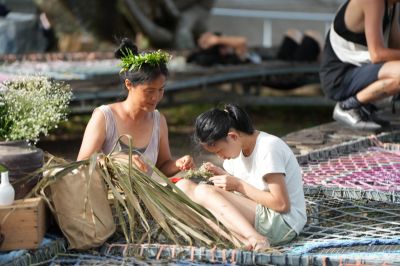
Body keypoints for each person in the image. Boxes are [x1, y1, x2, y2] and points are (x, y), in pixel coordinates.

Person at [175, 104, 306, 250]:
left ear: (233, 136)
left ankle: (256, 239)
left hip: (284, 223)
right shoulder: (235, 154)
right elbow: (245, 192)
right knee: (183, 187)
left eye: (219, 150)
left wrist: (237, 185)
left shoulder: (269, 148)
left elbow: (281, 204)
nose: (220, 156)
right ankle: (241, 241)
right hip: (261, 216)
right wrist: (224, 177)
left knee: (203, 191)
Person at [77, 38, 195, 177]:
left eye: (161, 90)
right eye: (149, 91)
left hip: (143, 197)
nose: (156, 97)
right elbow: (82, 163)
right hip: (107, 196)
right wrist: (117, 159)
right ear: (129, 84)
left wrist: (178, 164)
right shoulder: (105, 117)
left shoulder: (158, 120)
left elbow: (162, 165)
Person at [319, 0, 400, 130]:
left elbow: (395, 47)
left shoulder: (392, 5)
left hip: (359, 70)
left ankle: (363, 106)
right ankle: (347, 106)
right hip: (339, 78)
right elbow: (377, 54)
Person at [187, 31, 262, 66]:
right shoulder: (203, 58)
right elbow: (242, 41)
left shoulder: (232, 57)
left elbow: (242, 42)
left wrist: (217, 40)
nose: (227, 47)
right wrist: (216, 41)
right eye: (223, 46)